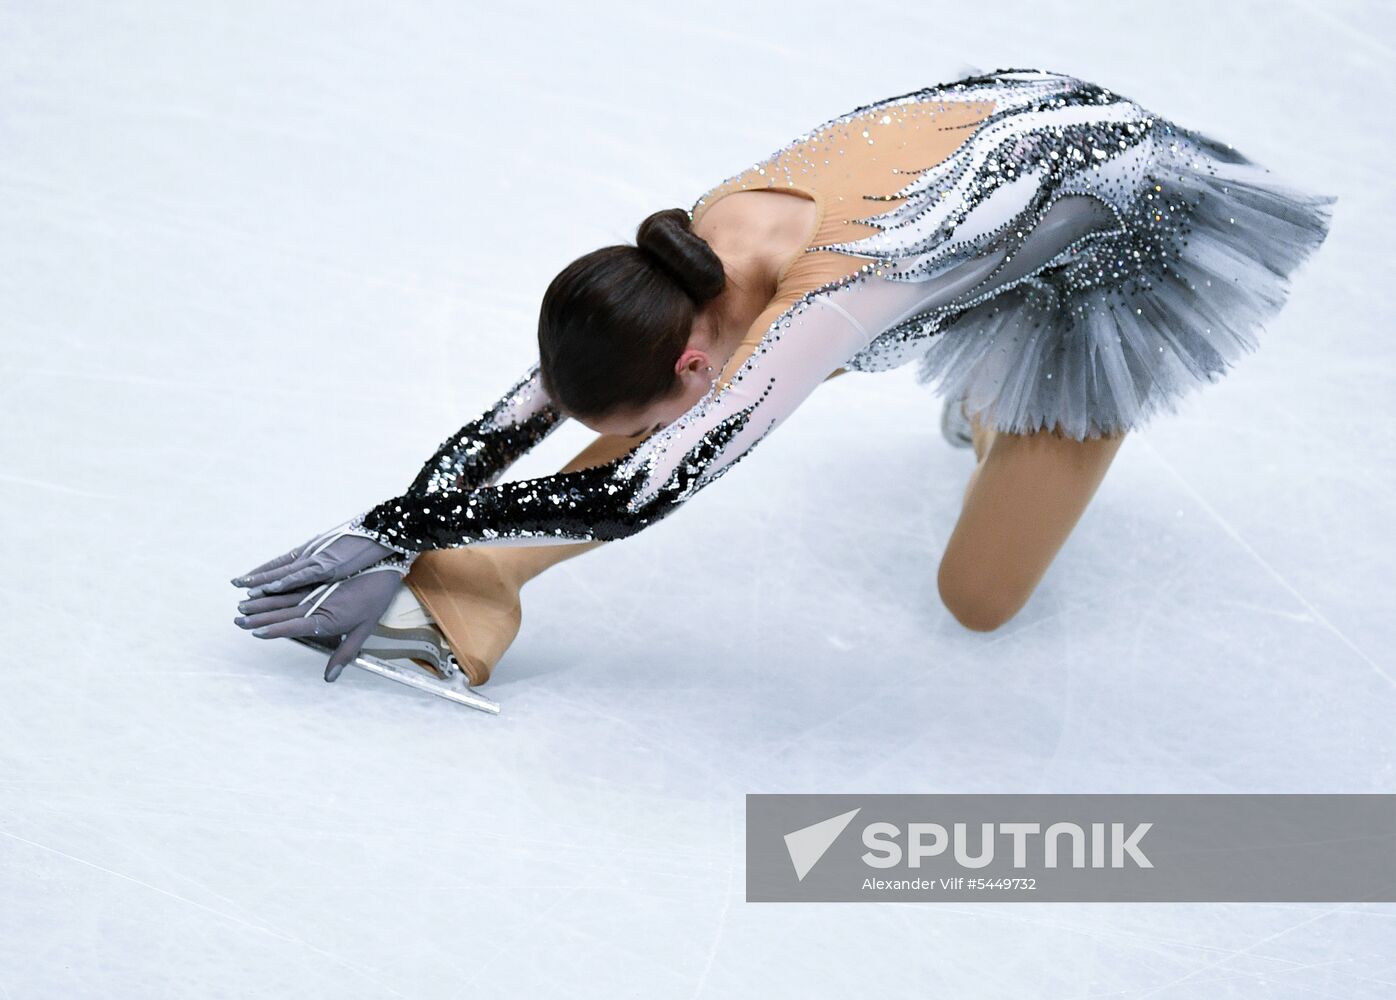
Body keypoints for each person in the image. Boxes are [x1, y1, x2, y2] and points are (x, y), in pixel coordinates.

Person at [231, 66, 1336, 692]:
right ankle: (472, 597)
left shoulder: (825, 299)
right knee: (655, 416)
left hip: (1121, 229)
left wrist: (393, 522)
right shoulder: (669, 262)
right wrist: (397, 528)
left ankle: (1013, 407)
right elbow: (531, 410)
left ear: (699, 360)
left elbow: (638, 487)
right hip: (1004, 167)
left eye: (687, 392)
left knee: (979, 599)